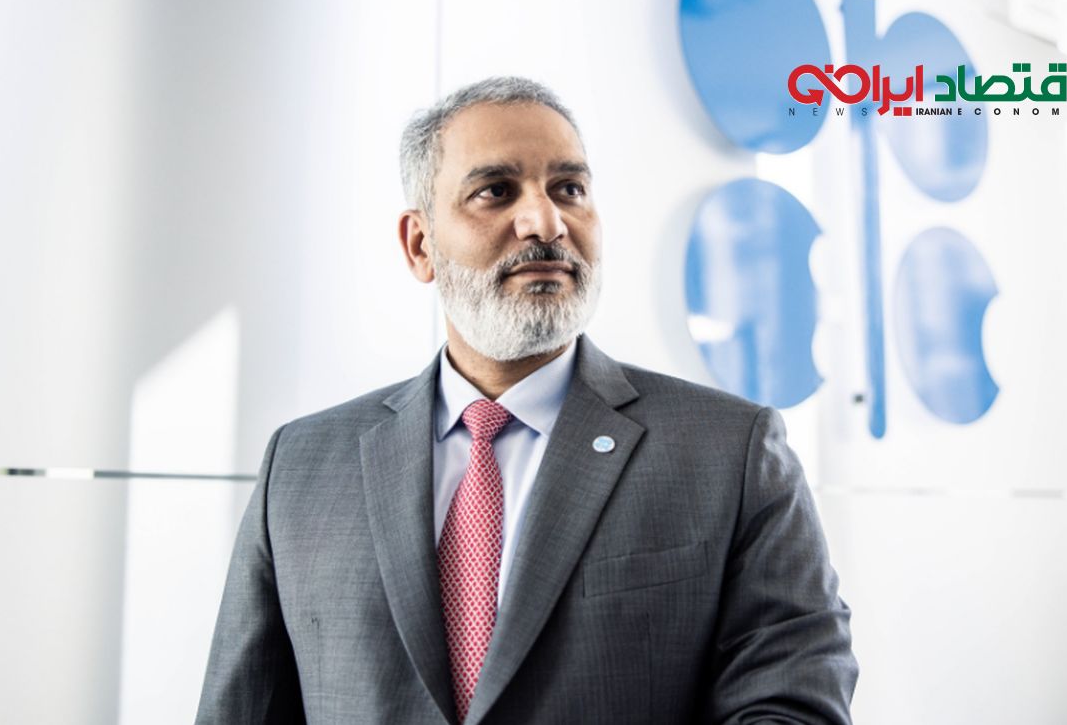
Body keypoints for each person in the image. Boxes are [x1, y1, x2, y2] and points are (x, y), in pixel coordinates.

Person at [197, 76, 857, 724]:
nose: (546, 221)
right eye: (495, 191)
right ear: (420, 244)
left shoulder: (730, 452)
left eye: (569, 189)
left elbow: (793, 707)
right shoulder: (302, 466)